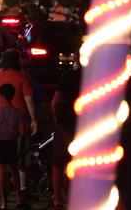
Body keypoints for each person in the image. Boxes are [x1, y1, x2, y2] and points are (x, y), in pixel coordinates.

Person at [0, 49, 37, 198]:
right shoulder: (22, 77)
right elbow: (29, 100)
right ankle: (22, 189)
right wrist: (34, 119)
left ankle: (2, 191)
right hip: (18, 125)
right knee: (20, 158)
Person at [48, 59, 81, 209]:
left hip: (66, 124)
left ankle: (58, 200)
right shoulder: (97, 78)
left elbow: (55, 101)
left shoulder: (69, 76)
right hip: (88, 127)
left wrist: (56, 118)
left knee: (57, 162)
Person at [0, 84, 27, 210]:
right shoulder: (17, 113)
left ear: (3, 96)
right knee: (14, 172)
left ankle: (4, 203)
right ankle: (18, 199)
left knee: (1, 173)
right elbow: (21, 132)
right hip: (11, 143)